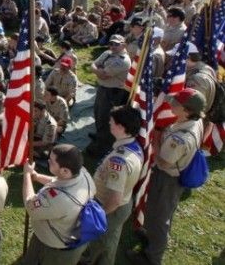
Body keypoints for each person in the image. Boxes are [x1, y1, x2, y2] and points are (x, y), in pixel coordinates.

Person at [127, 88, 205, 265]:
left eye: (176, 104)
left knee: (160, 217)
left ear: (187, 111)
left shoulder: (180, 139)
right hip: (169, 176)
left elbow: (163, 162)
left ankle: (152, 257)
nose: (171, 104)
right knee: (157, 209)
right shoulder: (194, 121)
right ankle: (149, 234)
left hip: (167, 178)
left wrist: (154, 140)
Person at [82, 105, 143, 265]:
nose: (109, 123)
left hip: (110, 207)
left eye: (112, 121)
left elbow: (114, 200)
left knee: (101, 242)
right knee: (110, 240)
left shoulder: (119, 162)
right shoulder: (134, 146)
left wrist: (99, 215)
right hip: (123, 203)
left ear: (122, 127)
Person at [22, 144, 97, 265]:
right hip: (68, 237)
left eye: (51, 161)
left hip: (52, 250)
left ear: (65, 170)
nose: (48, 161)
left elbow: (30, 205)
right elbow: (58, 182)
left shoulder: (58, 200)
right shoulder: (84, 174)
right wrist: (36, 176)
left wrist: (26, 176)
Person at [87, 34, 131, 157]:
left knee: (106, 118)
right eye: (111, 43)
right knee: (97, 112)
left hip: (113, 92)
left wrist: (98, 70)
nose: (113, 46)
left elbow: (103, 75)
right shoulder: (107, 53)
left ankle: (102, 147)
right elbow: (93, 65)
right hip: (103, 88)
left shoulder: (123, 61)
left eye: (116, 44)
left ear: (124, 45)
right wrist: (98, 70)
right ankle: (99, 135)